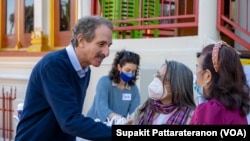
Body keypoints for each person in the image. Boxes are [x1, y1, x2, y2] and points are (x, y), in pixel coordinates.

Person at [15, 15, 114, 141]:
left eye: (109, 46)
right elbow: (70, 121)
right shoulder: (54, 66)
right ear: (81, 41)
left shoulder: (84, 69)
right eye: (101, 44)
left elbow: (71, 119)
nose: (106, 52)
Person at [190, 41, 250, 125]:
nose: (195, 72)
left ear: (207, 76)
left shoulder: (205, 112)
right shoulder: (239, 111)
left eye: (197, 66)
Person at [131, 60, 196, 125]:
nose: (157, 81)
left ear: (178, 87)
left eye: (164, 79)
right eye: (158, 75)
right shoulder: (142, 110)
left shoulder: (192, 117)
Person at [87, 49, 141, 123]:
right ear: (119, 67)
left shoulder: (134, 89)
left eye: (133, 71)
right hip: (95, 125)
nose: (130, 74)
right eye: (127, 70)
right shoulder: (104, 82)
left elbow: (135, 113)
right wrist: (119, 119)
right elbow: (102, 109)